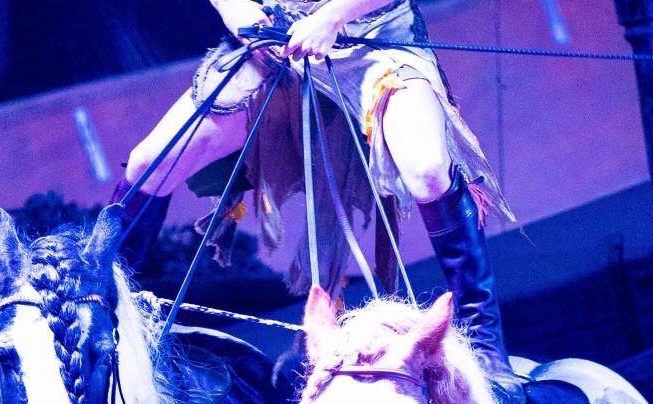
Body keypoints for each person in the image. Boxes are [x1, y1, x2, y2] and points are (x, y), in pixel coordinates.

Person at [110, 0, 518, 382]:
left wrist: (333, 17)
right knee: (150, 163)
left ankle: (482, 337)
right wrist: (236, 8)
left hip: (375, 41)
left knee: (427, 169)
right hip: (276, 42)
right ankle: (104, 308)